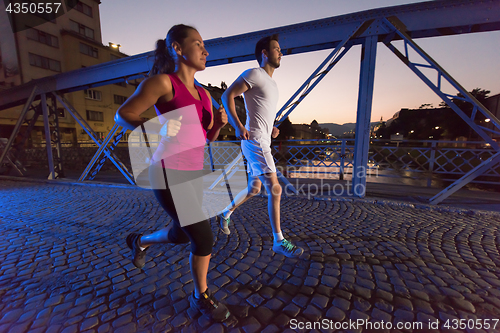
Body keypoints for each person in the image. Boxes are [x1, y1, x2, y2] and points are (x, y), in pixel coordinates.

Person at [114, 24, 231, 322]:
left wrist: (218, 125)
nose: (205, 51)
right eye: (198, 44)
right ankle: (200, 297)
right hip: (166, 171)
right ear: (177, 49)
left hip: (194, 170)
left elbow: (205, 138)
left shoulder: (204, 95)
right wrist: (157, 127)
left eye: (205, 45)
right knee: (203, 237)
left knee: (181, 234)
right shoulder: (164, 83)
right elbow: (123, 114)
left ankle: (140, 241)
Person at [218, 34, 303, 258]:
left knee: (255, 189)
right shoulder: (254, 74)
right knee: (276, 189)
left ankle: (225, 212)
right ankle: (279, 240)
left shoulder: (272, 84)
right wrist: (237, 125)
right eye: (277, 49)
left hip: (262, 139)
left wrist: (272, 128)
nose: (280, 52)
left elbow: (261, 112)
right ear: (265, 53)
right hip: (254, 140)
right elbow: (228, 95)